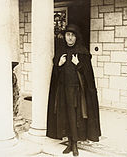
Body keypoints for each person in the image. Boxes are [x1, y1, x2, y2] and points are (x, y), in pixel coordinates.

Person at [46, 24, 101, 156]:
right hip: (63, 92)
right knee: (65, 117)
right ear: (64, 37)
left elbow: (88, 76)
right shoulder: (60, 52)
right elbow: (55, 76)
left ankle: (75, 144)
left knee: (76, 119)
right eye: (67, 35)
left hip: (77, 93)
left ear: (76, 37)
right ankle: (70, 143)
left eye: (72, 35)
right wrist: (58, 65)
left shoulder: (82, 52)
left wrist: (79, 65)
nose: (70, 38)